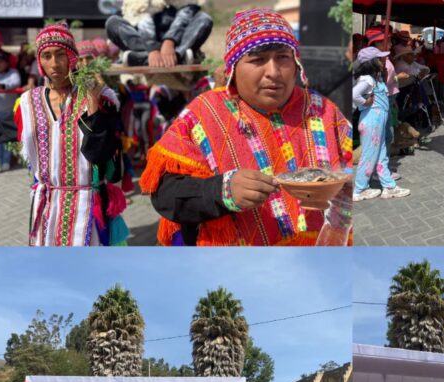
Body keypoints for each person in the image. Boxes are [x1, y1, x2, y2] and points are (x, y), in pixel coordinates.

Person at [140, 9, 353, 246]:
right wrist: (222, 191)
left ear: (296, 63)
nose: (273, 72)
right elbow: (164, 194)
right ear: (232, 68)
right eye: (257, 59)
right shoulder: (203, 114)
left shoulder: (323, 110)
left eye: (283, 57)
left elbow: (352, 165)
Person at [14, 23, 127, 247]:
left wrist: (94, 110)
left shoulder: (100, 98)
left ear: (71, 58)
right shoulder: (27, 103)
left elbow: (101, 154)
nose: (54, 64)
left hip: (87, 203)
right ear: (39, 61)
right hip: (46, 204)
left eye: (60, 55)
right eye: (46, 56)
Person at [352, 47, 410, 202]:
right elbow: (354, 94)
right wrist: (365, 102)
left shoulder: (375, 78)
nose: (383, 61)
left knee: (381, 155)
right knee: (369, 156)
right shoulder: (367, 79)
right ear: (371, 63)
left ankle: (389, 187)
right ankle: (360, 189)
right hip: (372, 121)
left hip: (377, 121)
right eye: (379, 59)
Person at [105, 0, 213, 67]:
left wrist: (170, 41)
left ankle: (177, 56)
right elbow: (141, 17)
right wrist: (152, 49)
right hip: (144, 44)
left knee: (204, 19)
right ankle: (151, 58)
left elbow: (185, 15)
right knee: (113, 22)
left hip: (177, 43)